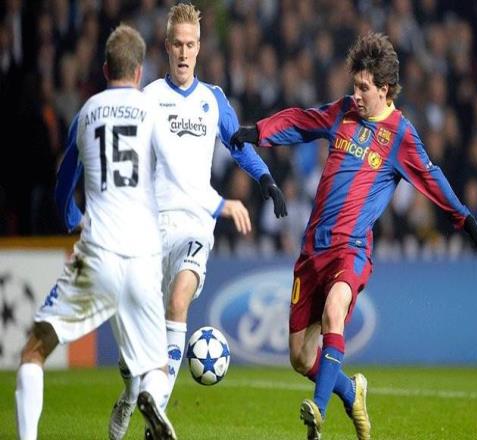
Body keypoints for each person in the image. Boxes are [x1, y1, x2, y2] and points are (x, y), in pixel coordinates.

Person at [231, 32, 477, 440]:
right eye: (354, 85)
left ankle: (317, 410)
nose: (356, 94)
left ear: (384, 89)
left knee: (335, 311)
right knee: (300, 357)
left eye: (364, 88)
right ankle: (351, 393)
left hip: (350, 249)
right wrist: (259, 132)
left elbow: (431, 177)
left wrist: (464, 218)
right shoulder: (343, 113)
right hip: (312, 250)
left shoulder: (400, 135)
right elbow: (301, 120)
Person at [108, 4, 287, 440]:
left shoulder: (213, 99)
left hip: (194, 226)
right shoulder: (149, 98)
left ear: (200, 47)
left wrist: (266, 180)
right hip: (150, 229)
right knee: (138, 349)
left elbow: (238, 146)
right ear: (167, 47)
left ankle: (157, 414)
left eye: (191, 45)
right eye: (178, 45)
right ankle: (132, 393)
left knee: (179, 301)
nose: (185, 53)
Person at [15, 25, 177, 440]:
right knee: (156, 367)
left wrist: (74, 218)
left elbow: (62, 188)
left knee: (34, 350)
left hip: (98, 252)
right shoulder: (153, 112)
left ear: (105, 69)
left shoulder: (86, 113)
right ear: (140, 71)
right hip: (142, 256)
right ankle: (151, 400)